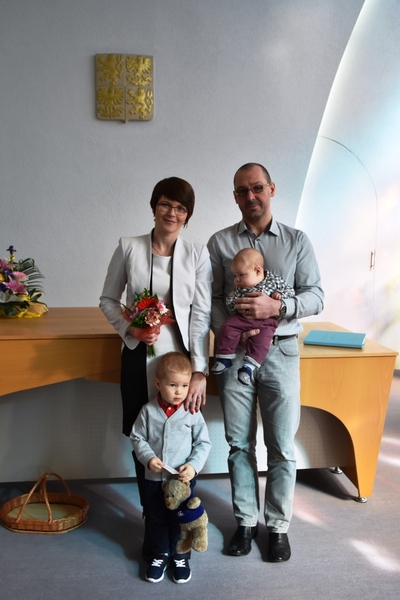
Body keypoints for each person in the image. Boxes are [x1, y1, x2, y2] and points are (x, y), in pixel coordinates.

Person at [207, 163, 324, 562]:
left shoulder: (296, 241)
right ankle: (244, 522)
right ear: (235, 197)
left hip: (282, 353)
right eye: (242, 191)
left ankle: (277, 526)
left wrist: (279, 307)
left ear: (271, 189)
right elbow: (212, 299)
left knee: (281, 446)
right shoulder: (220, 243)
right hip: (236, 354)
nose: (251, 196)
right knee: (238, 444)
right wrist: (233, 333)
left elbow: (316, 295)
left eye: (257, 188)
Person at [100, 176, 212, 559]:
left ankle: (180, 520)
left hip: (180, 364)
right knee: (142, 437)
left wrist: (200, 371)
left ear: (187, 215)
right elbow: (107, 299)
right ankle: (153, 522)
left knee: (182, 438)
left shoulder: (197, 254)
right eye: (165, 204)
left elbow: (201, 314)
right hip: (138, 357)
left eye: (180, 208)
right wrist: (130, 329)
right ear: (153, 207)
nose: (172, 213)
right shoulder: (128, 247)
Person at [131, 352, 211, 584]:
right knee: (156, 518)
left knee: (181, 519)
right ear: (158, 384)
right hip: (154, 480)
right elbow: (137, 438)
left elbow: (203, 443)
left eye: (184, 386)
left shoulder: (192, 412)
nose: (179, 391)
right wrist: (148, 458)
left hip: (182, 482)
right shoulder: (148, 411)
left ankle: (180, 555)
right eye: (173, 385)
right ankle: (160, 554)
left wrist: (193, 466)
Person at [212, 247, 295, 385]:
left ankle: (249, 367)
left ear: (257, 271)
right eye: (235, 276)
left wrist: (280, 296)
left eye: (241, 275)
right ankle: (225, 357)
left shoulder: (273, 280)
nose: (236, 280)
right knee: (227, 327)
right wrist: (232, 300)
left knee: (262, 341)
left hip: (266, 322)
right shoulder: (240, 288)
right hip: (241, 318)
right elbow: (231, 305)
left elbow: (291, 292)